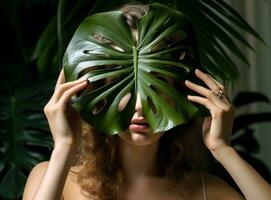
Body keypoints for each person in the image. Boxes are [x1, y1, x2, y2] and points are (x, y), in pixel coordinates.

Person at [22, 3, 271, 200]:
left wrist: (222, 149)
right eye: (123, 82)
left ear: (179, 91)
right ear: (99, 92)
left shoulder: (206, 190)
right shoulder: (53, 178)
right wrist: (64, 147)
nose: (140, 105)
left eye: (156, 83)